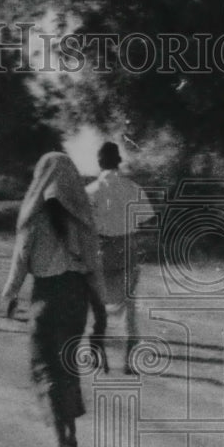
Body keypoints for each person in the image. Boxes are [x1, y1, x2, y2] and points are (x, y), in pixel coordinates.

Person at [1, 152, 108, 447]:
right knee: (67, 364)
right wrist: (100, 309)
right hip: (77, 298)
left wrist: (10, 295)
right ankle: (71, 436)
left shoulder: (33, 218)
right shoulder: (83, 221)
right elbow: (94, 268)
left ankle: (61, 445)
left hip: (46, 298)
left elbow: (20, 262)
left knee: (44, 367)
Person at [85, 141, 150, 373]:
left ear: (99, 162)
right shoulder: (133, 188)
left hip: (100, 249)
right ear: (119, 162)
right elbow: (144, 220)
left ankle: (96, 348)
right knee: (129, 307)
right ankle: (130, 358)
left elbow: (84, 225)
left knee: (97, 305)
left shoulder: (91, 191)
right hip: (127, 249)